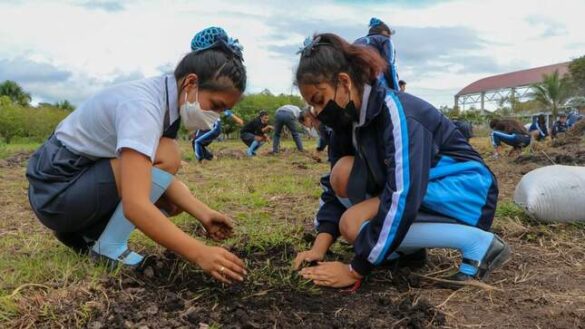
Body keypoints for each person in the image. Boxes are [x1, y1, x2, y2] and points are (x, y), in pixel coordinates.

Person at [25, 27, 247, 284]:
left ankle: (82, 233)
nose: (215, 117)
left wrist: (203, 213)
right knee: (167, 159)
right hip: (56, 192)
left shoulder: (165, 99)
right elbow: (135, 204)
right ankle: (108, 246)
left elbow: (150, 177)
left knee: (172, 197)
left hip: (70, 183)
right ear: (191, 82)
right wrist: (199, 253)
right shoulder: (143, 108)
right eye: (216, 106)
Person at [292, 33, 509, 289]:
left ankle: (477, 243)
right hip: (426, 188)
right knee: (342, 173)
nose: (317, 112)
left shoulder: (396, 113)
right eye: (311, 106)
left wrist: (355, 269)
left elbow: (403, 193)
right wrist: (319, 247)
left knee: (352, 224)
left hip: (465, 190)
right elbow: (332, 187)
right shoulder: (344, 123)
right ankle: (403, 252)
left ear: (344, 82)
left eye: (319, 100)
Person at [354, 17, 399, 91]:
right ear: (385, 32)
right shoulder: (385, 40)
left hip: (354, 81)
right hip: (373, 80)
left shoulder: (358, 40)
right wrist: (396, 90)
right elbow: (388, 65)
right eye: (389, 34)